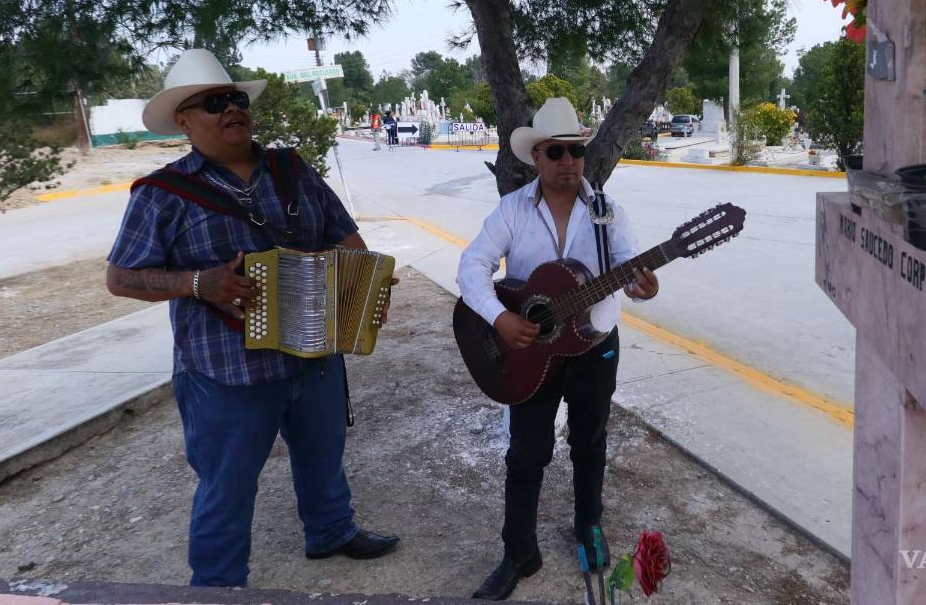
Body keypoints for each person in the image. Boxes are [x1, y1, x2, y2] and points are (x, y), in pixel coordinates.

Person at [105, 48, 399, 588]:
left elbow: (345, 237)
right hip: (227, 372)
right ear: (184, 120)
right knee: (227, 484)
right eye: (213, 103)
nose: (231, 109)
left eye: (236, 99)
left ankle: (331, 530)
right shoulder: (162, 194)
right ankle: (218, 586)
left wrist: (368, 285)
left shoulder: (291, 169)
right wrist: (199, 283)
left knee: (323, 454)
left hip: (314, 354)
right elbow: (121, 278)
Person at [456, 98, 660, 601]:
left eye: (575, 151)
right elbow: (471, 267)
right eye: (555, 152)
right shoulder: (512, 209)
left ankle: (588, 527)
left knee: (590, 442)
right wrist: (501, 317)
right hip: (528, 353)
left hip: (594, 349)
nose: (567, 161)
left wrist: (641, 286)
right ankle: (518, 551)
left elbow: (631, 264)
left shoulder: (607, 211)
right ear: (536, 158)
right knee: (527, 451)